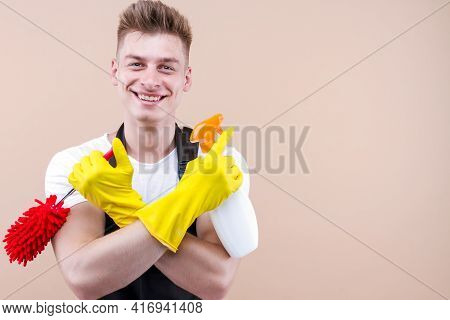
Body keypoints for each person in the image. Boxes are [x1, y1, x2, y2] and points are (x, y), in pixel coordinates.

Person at [45, 0, 251, 300]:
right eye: (136, 64)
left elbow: (215, 281)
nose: (151, 81)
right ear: (115, 71)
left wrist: (122, 206)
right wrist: (188, 200)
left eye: (166, 67)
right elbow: (84, 278)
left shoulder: (218, 162)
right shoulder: (76, 164)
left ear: (186, 78)